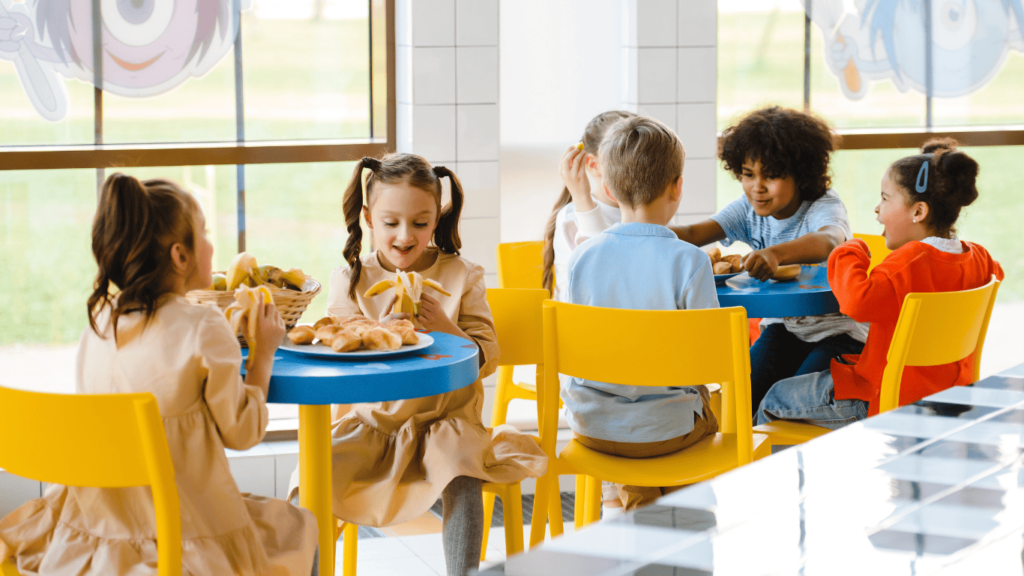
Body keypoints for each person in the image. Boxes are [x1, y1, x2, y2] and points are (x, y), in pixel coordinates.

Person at [0, 173, 319, 575]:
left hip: (94, 533)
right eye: (202, 233)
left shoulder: (97, 325)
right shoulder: (204, 326)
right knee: (300, 527)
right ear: (180, 256)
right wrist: (263, 356)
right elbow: (242, 433)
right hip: (183, 539)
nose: (211, 244)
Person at [288, 153, 546, 576]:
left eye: (420, 223)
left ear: (437, 220)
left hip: (445, 423)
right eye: (391, 223)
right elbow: (338, 359)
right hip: (373, 426)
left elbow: (487, 357)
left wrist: (445, 328)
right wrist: (374, 333)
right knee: (310, 480)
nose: (405, 236)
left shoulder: (463, 275)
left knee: (462, 474)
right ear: (369, 219)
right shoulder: (350, 279)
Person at [756, 139, 1005, 427]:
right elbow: (995, 274)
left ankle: (758, 472)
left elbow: (858, 302)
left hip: (884, 396)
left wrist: (850, 250)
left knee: (775, 397)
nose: (877, 208)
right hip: (947, 391)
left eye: (885, 198)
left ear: (918, 212)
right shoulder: (980, 257)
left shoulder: (908, 262)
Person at [564, 116, 719, 512]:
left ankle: (634, 506)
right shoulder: (691, 261)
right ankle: (670, 525)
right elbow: (710, 365)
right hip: (666, 432)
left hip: (592, 426)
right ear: (677, 187)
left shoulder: (583, 258)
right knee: (701, 409)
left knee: (646, 411)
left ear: (611, 190)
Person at [673, 105, 866, 415]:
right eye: (748, 175)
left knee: (790, 406)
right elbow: (694, 232)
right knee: (741, 400)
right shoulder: (747, 210)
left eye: (771, 176)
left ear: (801, 175)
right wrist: (641, 230)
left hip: (840, 334)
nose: (757, 187)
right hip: (785, 330)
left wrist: (776, 253)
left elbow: (829, 240)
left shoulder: (822, 206)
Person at [543, 110, 636, 299]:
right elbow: (605, 275)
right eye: (622, 153)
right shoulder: (571, 217)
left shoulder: (647, 210)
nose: (636, 162)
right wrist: (582, 198)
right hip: (581, 322)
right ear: (593, 165)